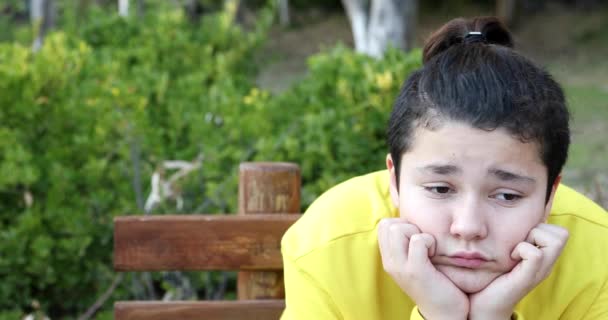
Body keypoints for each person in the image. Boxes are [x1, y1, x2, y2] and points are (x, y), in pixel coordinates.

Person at [280, 16, 608, 320]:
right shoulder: (327, 245)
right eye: (440, 188)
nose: (467, 227)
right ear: (394, 179)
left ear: (551, 194)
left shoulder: (598, 258)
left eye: (507, 195)